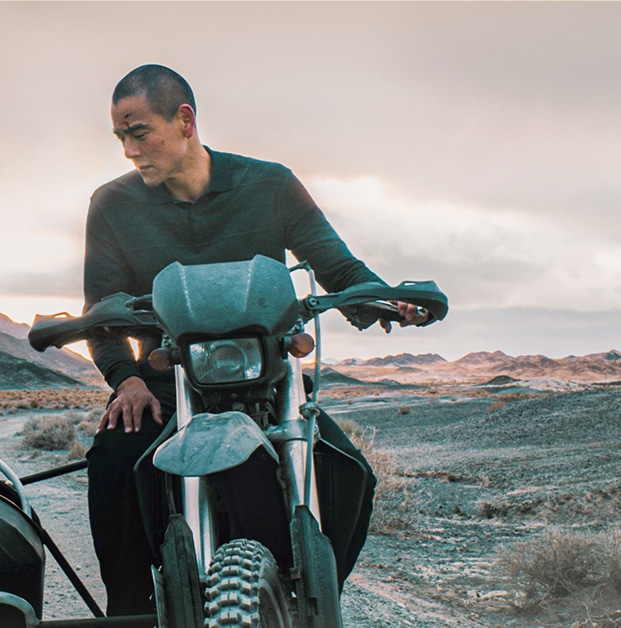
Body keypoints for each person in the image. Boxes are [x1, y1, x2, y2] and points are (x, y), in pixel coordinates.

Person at [82, 64, 429, 616]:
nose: (129, 150)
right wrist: (125, 380)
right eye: (120, 137)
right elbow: (100, 310)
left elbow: (339, 268)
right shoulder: (111, 205)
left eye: (139, 132)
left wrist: (387, 299)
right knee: (114, 461)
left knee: (348, 473)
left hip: (267, 377)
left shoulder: (270, 184)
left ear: (185, 120)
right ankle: (130, 614)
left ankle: (314, 603)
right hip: (168, 380)